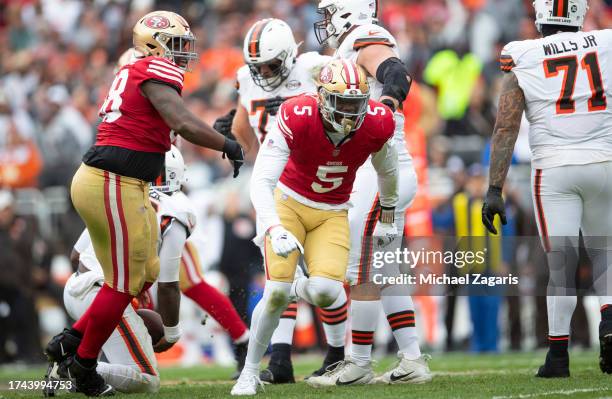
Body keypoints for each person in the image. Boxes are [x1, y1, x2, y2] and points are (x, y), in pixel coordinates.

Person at [43, 11, 244, 396]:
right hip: (112, 180)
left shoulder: (138, 69)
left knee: (145, 270)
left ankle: (69, 342)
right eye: (178, 44)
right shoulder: (152, 68)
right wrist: (228, 146)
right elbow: (181, 121)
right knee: (122, 284)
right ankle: (82, 366)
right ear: (154, 43)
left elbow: (167, 126)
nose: (184, 53)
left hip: (120, 181)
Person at [231, 59, 399, 396]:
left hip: (332, 212)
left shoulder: (377, 123)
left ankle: (291, 289)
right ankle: (248, 373)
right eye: (343, 103)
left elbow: (387, 168)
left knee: (325, 291)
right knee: (275, 293)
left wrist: (390, 203)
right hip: (289, 204)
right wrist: (274, 227)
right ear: (322, 98)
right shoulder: (297, 115)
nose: (351, 112)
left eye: (357, 104)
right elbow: (261, 182)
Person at [481, 0, 612, 378]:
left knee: (561, 265)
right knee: (605, 253)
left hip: (554, 168)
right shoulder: (604, 43)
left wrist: (494, 188)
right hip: (603, 160)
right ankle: (608, 320)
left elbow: (506, 126)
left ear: (541, 15)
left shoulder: (522, 54)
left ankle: (558, 357)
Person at [306, 0, 431, 386]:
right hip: (378, 171)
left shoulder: (365, 37)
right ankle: (412, 360)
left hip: (382, 172)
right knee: (384, 270)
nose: (326, 23)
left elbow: (396, 74)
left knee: (360, 266)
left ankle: (358, 362)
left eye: (330, 13)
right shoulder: (347, 48)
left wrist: (388, 105)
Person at [213, 18, 331, 383]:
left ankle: (344, 353)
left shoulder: (312, 67)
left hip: (320, 181)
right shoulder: (246, 79)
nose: (263, 73)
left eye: (270, 64)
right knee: (284, 273)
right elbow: (244, 132)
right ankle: (281, 359)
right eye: (257, 66)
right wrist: (230, 129)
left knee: (326, 275)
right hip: (276, 183)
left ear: (288, 55)